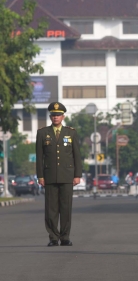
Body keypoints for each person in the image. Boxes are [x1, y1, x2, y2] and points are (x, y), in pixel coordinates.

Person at [36, 102, 82, 247]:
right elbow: (39, 156)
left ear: (63, 116)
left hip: (67, 176)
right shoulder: (42, 133)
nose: (55, 117)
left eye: (58, 115)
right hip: (49, 176)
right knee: (51, 209)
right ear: (50, 116)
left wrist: (77, 175)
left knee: (66, 207)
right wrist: (40, 176)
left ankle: (65, 237)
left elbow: (77, 155)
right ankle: (53, 237)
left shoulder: (71, 132)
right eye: (53, 115)